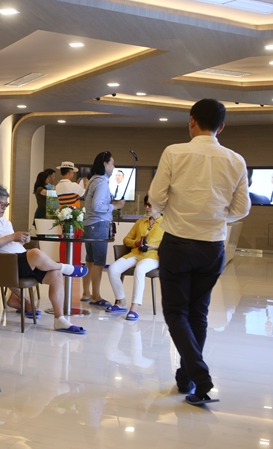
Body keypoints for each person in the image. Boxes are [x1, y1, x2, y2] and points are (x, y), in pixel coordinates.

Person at [149, 98, 250, 406]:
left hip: (178, 243)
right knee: (198, 313)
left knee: (176, 312)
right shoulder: (235, 159)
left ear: (191, 121)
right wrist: (216, 217)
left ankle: (199, 376)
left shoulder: (174, 152)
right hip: (212, 246)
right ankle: (186, 378)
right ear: (222, 127)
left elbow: (156, 198)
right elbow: (242, 209)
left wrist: (174, 212)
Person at [0, 183, 88, 333]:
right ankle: (66, 267)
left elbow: (8, 243)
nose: (5, 207)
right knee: (35, 253)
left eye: (6, 204)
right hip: (4, 264)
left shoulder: (4, 220)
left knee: (56, 274)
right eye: (2, 204)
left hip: (18, 260)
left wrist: (20, 240)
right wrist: (13, 236)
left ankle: (60, 319)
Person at [106, 196, 164, 320]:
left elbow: (170, 245)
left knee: (140, 269)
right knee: (112, 269)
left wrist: (153, 246)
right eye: (145, 205)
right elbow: (126, 240)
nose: (147, 208)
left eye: (150, 205)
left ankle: (134, 308)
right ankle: (121, 302)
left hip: (153, 256)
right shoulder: (140, 222)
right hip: (135, 254)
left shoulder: (166, 224)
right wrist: (136, 243)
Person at [82, 151, 125, 309]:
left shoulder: (93, 180)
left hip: (89, 224)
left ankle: (86, 293)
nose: (113, 166)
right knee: (98, 262)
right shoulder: (101, 183)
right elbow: (97, 206)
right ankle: (95, 296)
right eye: (112, 163)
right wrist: (115, 206)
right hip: (99, 224)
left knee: (90, 260)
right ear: (105, 164)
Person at [54, 161, 89, 298]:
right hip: (75, 217)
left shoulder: (58, 186)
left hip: (63, 218)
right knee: (76, 242)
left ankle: (63, 265)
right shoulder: (73, 185)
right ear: (69, 172)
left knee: (64, 241)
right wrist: (85, 184)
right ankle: (75, 266)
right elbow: (85, 194)